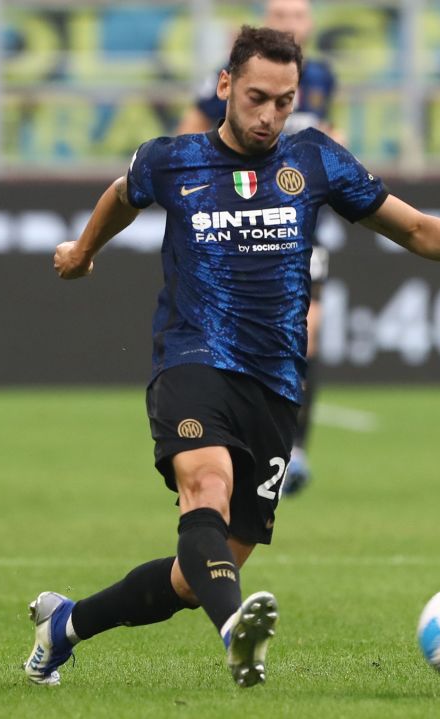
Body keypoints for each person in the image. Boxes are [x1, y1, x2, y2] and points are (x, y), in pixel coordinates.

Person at [24, 25, 440, 690]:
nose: (269, 116)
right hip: (193, 357)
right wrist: (84, 250)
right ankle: (237, 632)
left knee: (198, 572)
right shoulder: (172, 159)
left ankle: (65, 624)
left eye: (284, 102)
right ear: (225, 86)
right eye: (257, 97)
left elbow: (410, 228)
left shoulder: (314, 161)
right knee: (204, 487)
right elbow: (122, 195)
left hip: (274, 383)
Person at [176, 0, 336, 496]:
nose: (290, 23)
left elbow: (321, 137)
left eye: (297, 16)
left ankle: (294, 449)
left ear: (309, 24)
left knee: (307, 329)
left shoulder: (323, 77)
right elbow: (188, 135)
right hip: (243, 218)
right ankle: (234, 437)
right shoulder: (221, 80)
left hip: (300, 220)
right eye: (281, 15)